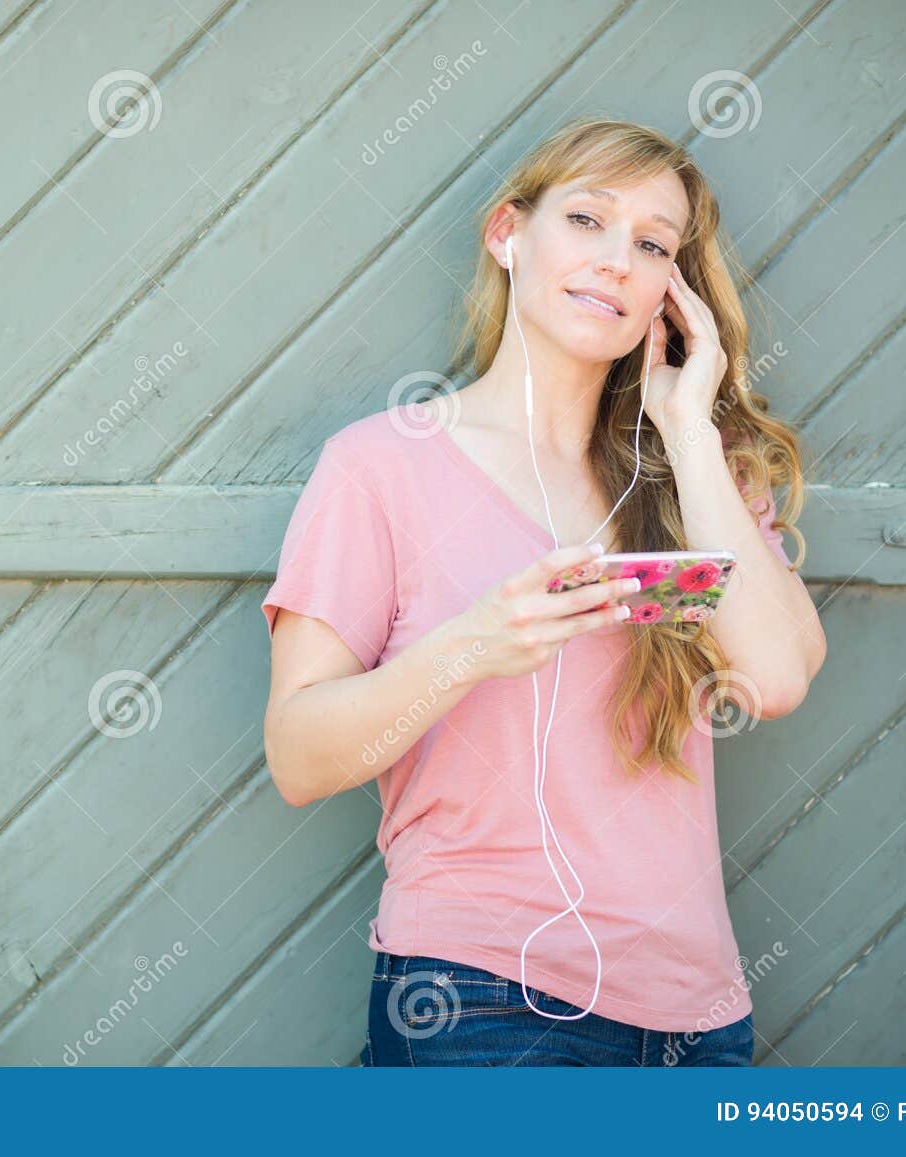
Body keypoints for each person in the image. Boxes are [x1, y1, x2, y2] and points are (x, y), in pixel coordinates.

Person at [261, 117, 826, 1067]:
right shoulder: (378, 469)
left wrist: (686, 430)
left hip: (695, 1018)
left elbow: (775, 675)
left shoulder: (704, 478)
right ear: (507, 234)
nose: (616, 261)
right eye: (587, 220)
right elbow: (299, 756)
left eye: (651, 244)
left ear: (669, 293)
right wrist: (474, 644)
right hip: (477, 998)